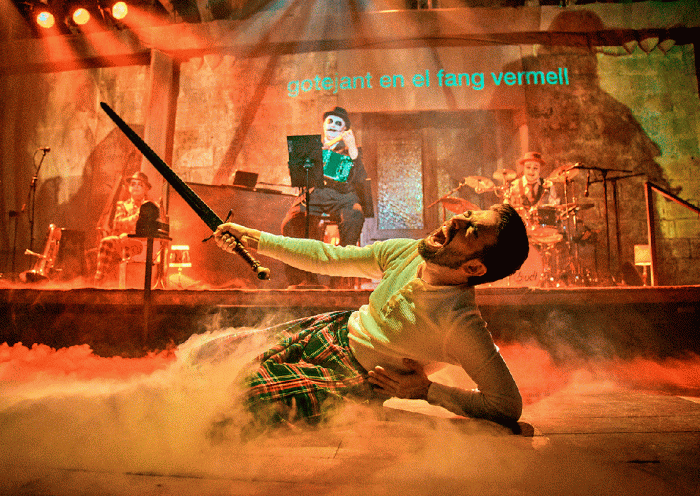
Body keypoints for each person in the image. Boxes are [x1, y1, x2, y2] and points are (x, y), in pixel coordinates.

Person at [213, 203, 529, 427]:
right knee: (223, 355)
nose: (457, 219)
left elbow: (506, 405)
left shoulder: (460, 324)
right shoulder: (408, 251)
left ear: (473, 267)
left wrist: (427, 391)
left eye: (472, 231)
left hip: (349, 380)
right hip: (332, 328)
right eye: (469, 214)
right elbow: (328, 257)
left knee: (239, 401)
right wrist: (252, 238)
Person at [280, 106, 372, 287]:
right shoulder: (311, 149)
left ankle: (339, 277)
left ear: (344, 129)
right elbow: (298, 174)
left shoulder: (351, 150)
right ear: (324, 125)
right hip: (315, 196)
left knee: (355, 216)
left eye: (338, 123)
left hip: (343, 197)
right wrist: (315, 155)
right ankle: (305, 278)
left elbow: (360, 178)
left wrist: (352, 150)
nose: (333, 125)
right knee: (290, 223)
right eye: (330, 121)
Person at [94, 171, 154, 283]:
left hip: (143, 243)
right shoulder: (122, 205)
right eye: (133, 184)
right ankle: (100, 280)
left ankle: (128, 282)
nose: (136, 186)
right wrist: (136, 217)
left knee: (128, 243)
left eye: (140, 184)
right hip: (122, 240)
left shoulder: (150, 207)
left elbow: (150, 228)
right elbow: (118, 223)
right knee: (107, 242)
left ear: (146, 189)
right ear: (129, 188)